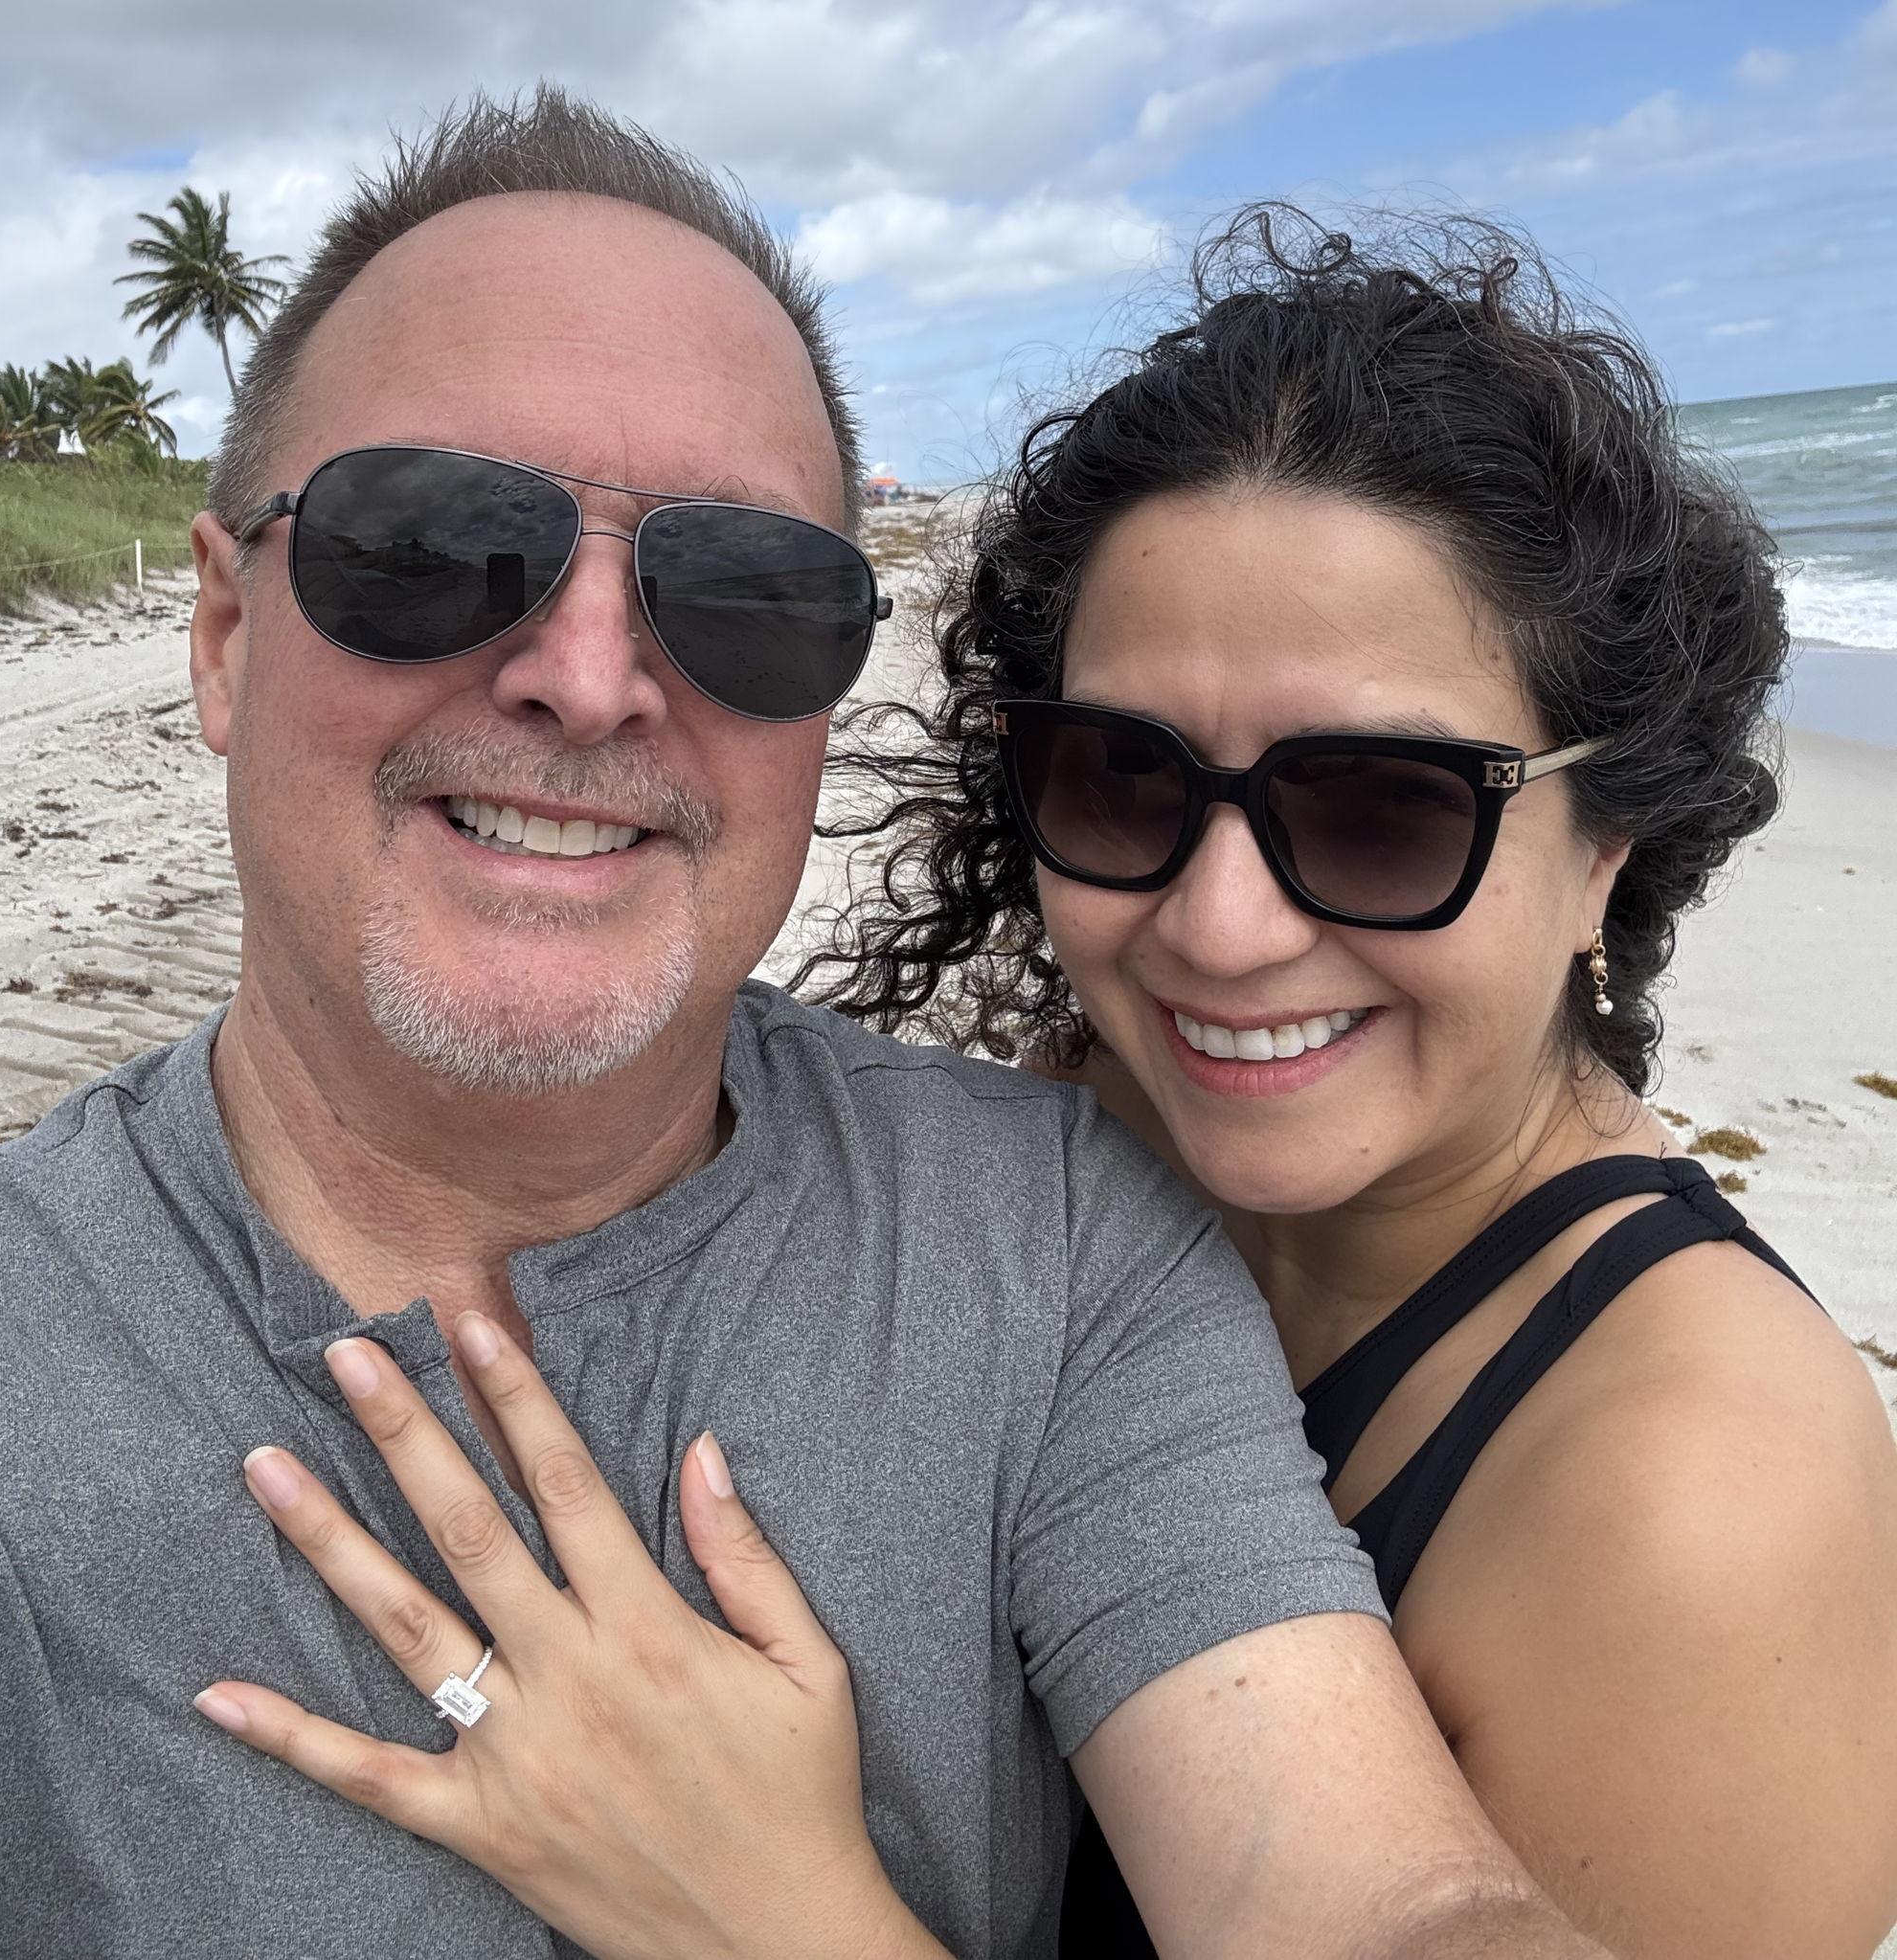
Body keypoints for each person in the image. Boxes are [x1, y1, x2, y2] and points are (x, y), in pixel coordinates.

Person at [0, 94, 1615, 1960]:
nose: (587, 680)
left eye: (741, 592)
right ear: (224, 635)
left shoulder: (1054, 1247)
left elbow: (1395, 1906)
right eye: (426, 545)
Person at [796, 207, 1897, 1956]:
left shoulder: (1703, 1502)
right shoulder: (1093, 1130)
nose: (1219, 931)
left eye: (1383, 806)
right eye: (1121, 779)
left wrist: (764, 1908)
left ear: (1608, 844)